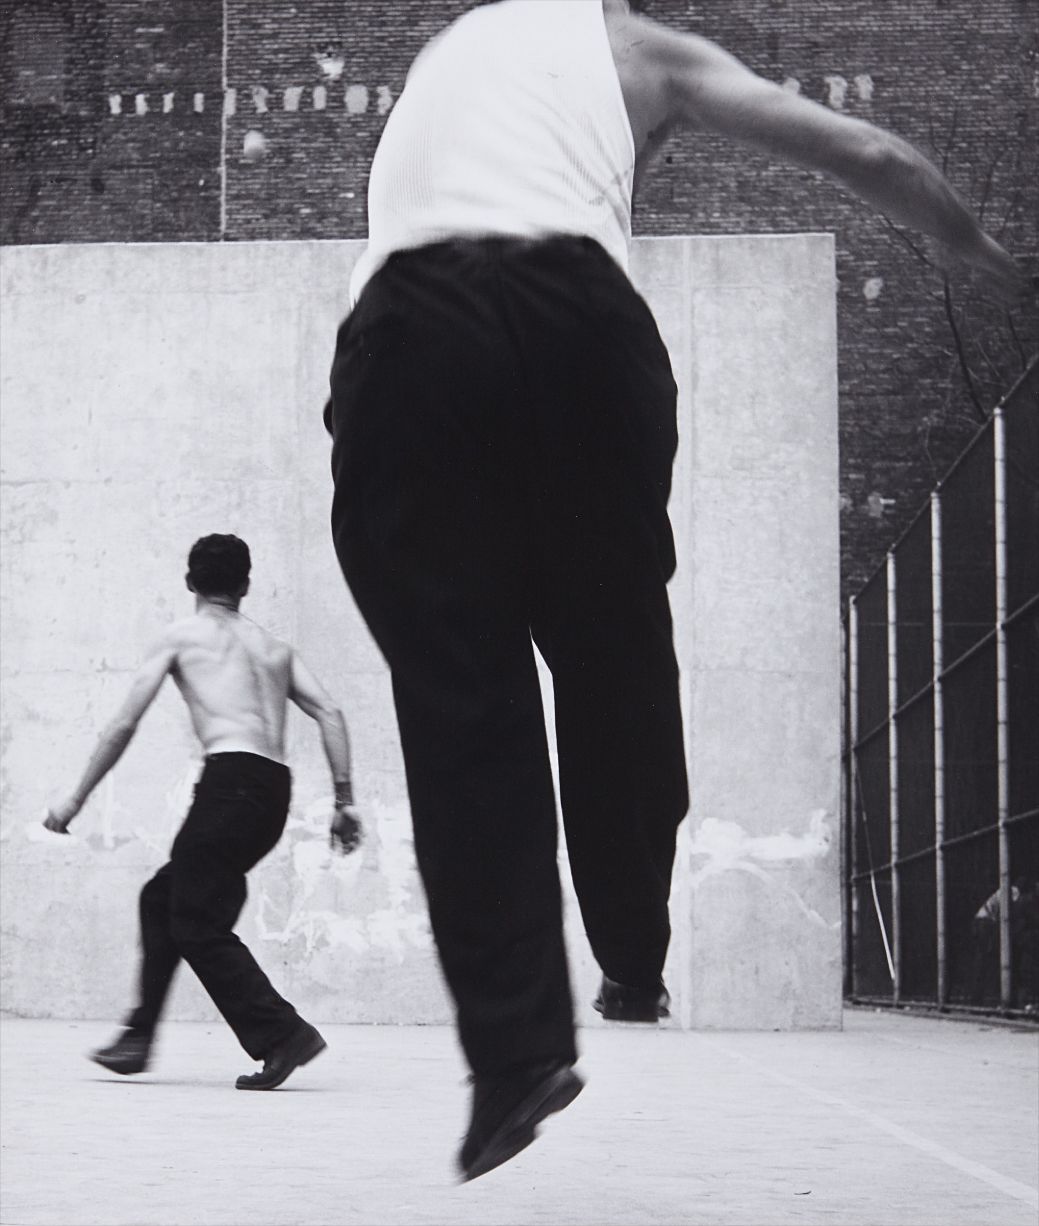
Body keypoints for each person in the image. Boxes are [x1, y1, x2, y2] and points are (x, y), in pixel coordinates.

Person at [323, 0, 1029, 1180]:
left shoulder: (449, 53)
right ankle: (632, 950)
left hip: (403, 348)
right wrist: (972, 245)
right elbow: (869, 150)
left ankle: (514, 1054)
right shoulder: (646, 51)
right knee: (615, 659)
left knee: (461, 700)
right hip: (579, 328)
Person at [44, 534, 362, 1090]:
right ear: (245, 585)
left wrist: (75, 798)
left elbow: (123, 724)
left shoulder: (182, 637)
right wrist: (344, 802)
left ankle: (283, 1034)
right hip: (271, 791)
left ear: (190, 582)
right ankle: (139, 1037)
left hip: (228, 784)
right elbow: (330, 712)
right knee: (163, 898)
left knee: (196, 921)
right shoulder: (276, 650)